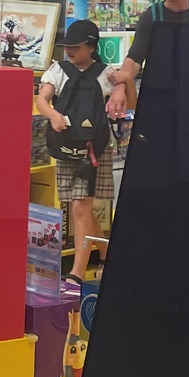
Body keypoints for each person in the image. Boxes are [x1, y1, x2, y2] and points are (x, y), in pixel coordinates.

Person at [38, 19, 114, 281]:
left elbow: (128, 103)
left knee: (81, 208)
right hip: (66, 145)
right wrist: (53, 115)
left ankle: (76, 273)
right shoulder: (58, 70)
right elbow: (42, 100)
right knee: (82, 208)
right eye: (67, 46)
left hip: (94, 149)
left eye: (76, 47)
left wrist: (124, 83)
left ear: (92, 47)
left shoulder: (106, 73)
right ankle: (106, 254)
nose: (69, 51)